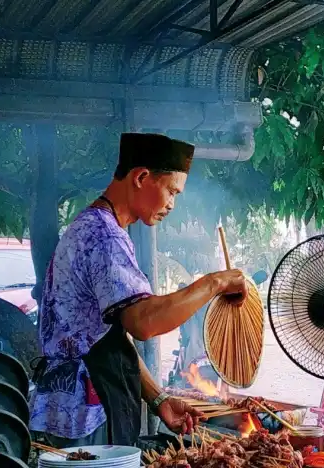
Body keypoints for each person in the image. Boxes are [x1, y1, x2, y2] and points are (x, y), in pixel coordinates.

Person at [29, 133, 248, 448]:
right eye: (171, 191)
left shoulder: (94, 227)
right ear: (142, 177)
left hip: (76, 413)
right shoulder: (104, 236)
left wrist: (159, 399)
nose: (172, 204)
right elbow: (144, 322)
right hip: (87, 418)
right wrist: (215, 283)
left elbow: (110, 336)